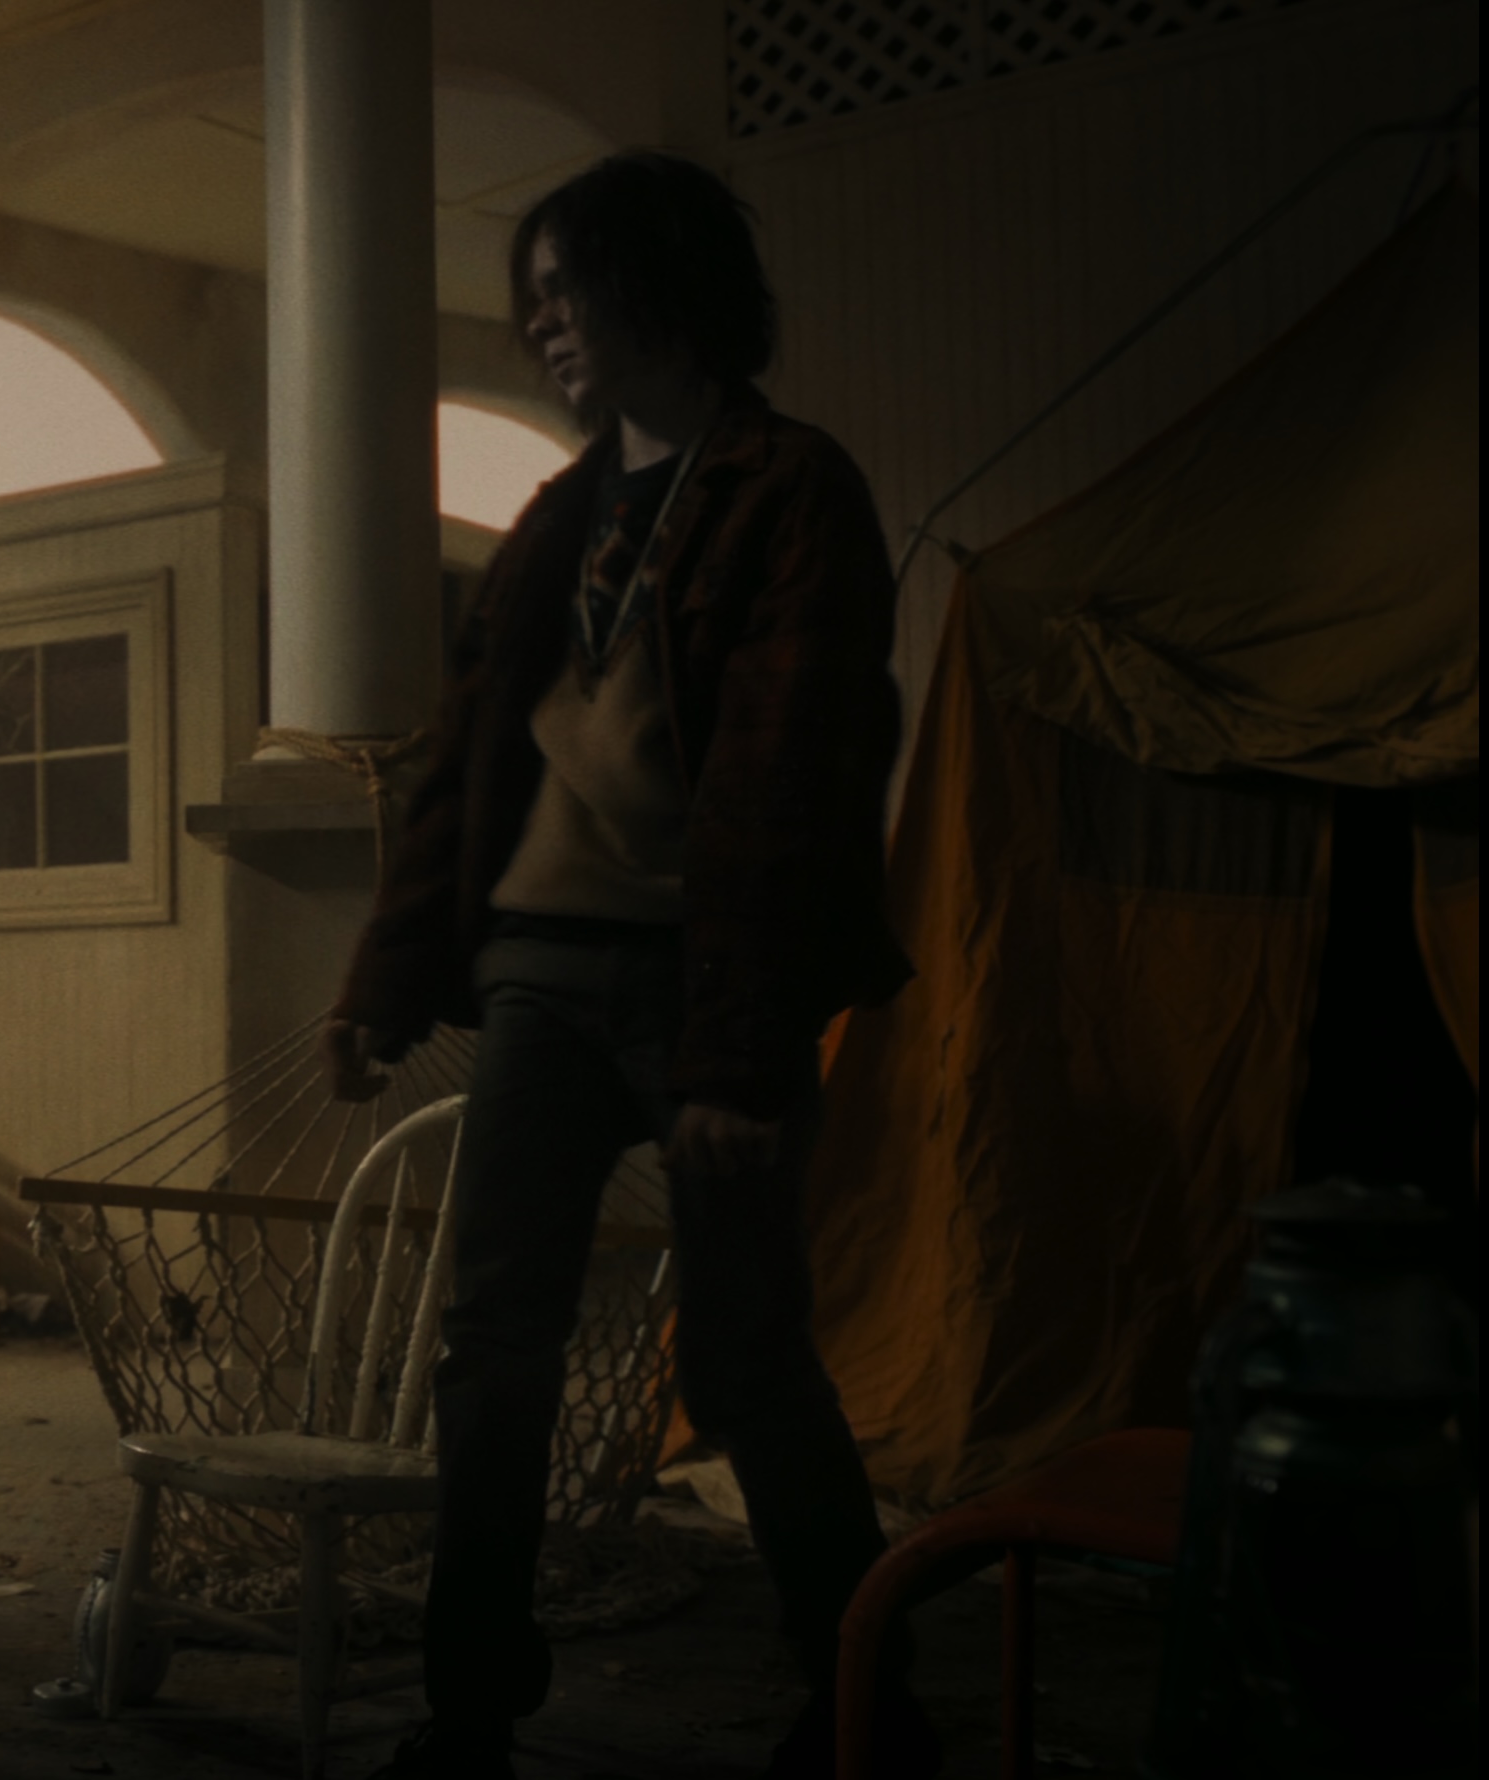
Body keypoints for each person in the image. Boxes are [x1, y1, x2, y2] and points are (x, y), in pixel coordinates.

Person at [321, 153, 938, 1780]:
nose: (538, 323)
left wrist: (737, 1053)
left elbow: (790, 778)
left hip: (700, 986)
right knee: (490, 1351)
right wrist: (385, 983)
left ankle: (865, 1701)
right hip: (537, 975)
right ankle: (467, 1715)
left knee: (743, 1357)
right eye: (526, 296)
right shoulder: (556, 515)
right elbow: (461, 760)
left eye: (562, 289)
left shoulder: (790, 488)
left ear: (656, 288)